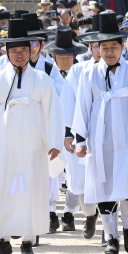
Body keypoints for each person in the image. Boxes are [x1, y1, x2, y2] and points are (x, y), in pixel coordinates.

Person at [0, 18, 64, 254]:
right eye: (14, 51)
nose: (19, 55)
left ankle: (27, 240)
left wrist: (55, 142)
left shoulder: (43, 80)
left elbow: (54, 113)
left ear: (31, 50)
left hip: (33, 146)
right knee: (1, 189)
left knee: (31, 191)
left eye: (24, 50)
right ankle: (1, 240)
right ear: (7, 52)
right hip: (4, 146)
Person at [72, 12, 128, 254]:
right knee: (104, 187)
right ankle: (111, 236)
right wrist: (80, 139)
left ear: (122, 47)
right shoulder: (88, 74)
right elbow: (82, 107)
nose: (109, 52)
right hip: (101, 141)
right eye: (104, 47)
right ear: (97, 48)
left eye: (114, 47)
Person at [43, 28, 97, 234]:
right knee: (54, 173)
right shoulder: (46, 74)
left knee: (77, 174)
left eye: (68, 56)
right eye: (60, 56)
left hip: (76, 130)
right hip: (50, 129)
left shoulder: (81, 71)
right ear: (53, 56)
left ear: (75, 56)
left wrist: (70, 133)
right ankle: (50, 213)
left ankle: (73, 212)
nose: (65, 60)